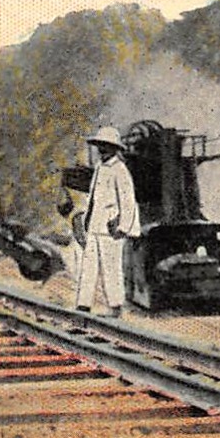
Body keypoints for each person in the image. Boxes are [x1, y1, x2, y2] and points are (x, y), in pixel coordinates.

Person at [74, 125, 141, 317]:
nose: (102, 149)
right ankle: (83, 306)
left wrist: (122, 227)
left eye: (106, 146)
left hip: (110, 229)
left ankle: (115, 307)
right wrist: (86, 223)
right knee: (88, 268)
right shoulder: (99, 168)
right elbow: (93, 198)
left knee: (112, 269)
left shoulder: (120, 170)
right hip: (94, 226)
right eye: (100, 145)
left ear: (115, 148)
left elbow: (128, 201)